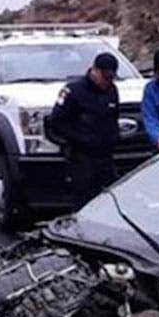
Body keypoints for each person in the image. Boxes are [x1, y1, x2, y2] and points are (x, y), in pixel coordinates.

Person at [46, 52, 120, 210]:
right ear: (95, 71)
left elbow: (114, 117)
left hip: (106, 156)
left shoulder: (112, 90)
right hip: (82, 157)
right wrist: (80, 138)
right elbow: (56, 122)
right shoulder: (73, 91)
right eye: (105, 77)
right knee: (84, 200)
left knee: (113, 196)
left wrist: (114, 137)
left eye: (111, 78)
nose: (107, 82)